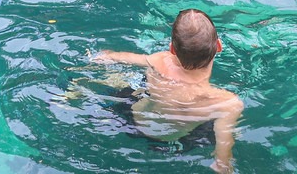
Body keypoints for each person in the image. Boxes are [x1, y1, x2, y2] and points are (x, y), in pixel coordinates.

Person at [92, 9, 243, 174]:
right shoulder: (226, 102)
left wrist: (105, 55)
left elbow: (121, 58)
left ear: (172, 48)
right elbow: (223, 158)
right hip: (174, 141)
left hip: (131, 122)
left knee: (130, 81)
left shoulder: (161, 60)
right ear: (219, 46)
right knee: (230, 129)